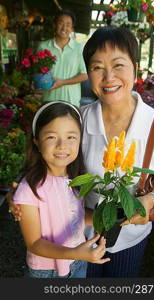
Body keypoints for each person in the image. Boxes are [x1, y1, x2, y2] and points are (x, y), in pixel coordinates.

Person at [9, 27, 154, 277]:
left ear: (135, 68)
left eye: (118, 65)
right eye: (97, 67)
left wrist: (150, 200)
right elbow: (52, 167)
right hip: (77, 236)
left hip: (129, 238)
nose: (108, 76)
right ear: (89, 74)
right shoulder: (78, 120)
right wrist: (24, 198)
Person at [12, 101, 110, 278]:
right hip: (46, 271)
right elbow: (34, 243)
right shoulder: (29, 189)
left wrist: (107, 217)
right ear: (36, 141)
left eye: (71, 137)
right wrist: (75, 253)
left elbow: (75, 217)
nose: (62, 145)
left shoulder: (76, 179)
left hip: (78, 263)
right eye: (51, 137)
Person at [37, 10, 88, 106]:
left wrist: (63, 82)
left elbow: (85, 74)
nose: (64, 27)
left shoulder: (78, 48)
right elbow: (37, 72)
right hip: (49, 100)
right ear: (55, 24)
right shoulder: (43, 46)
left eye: (68, 24)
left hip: (71, 101)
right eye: (61, 23)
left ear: (72, 28)